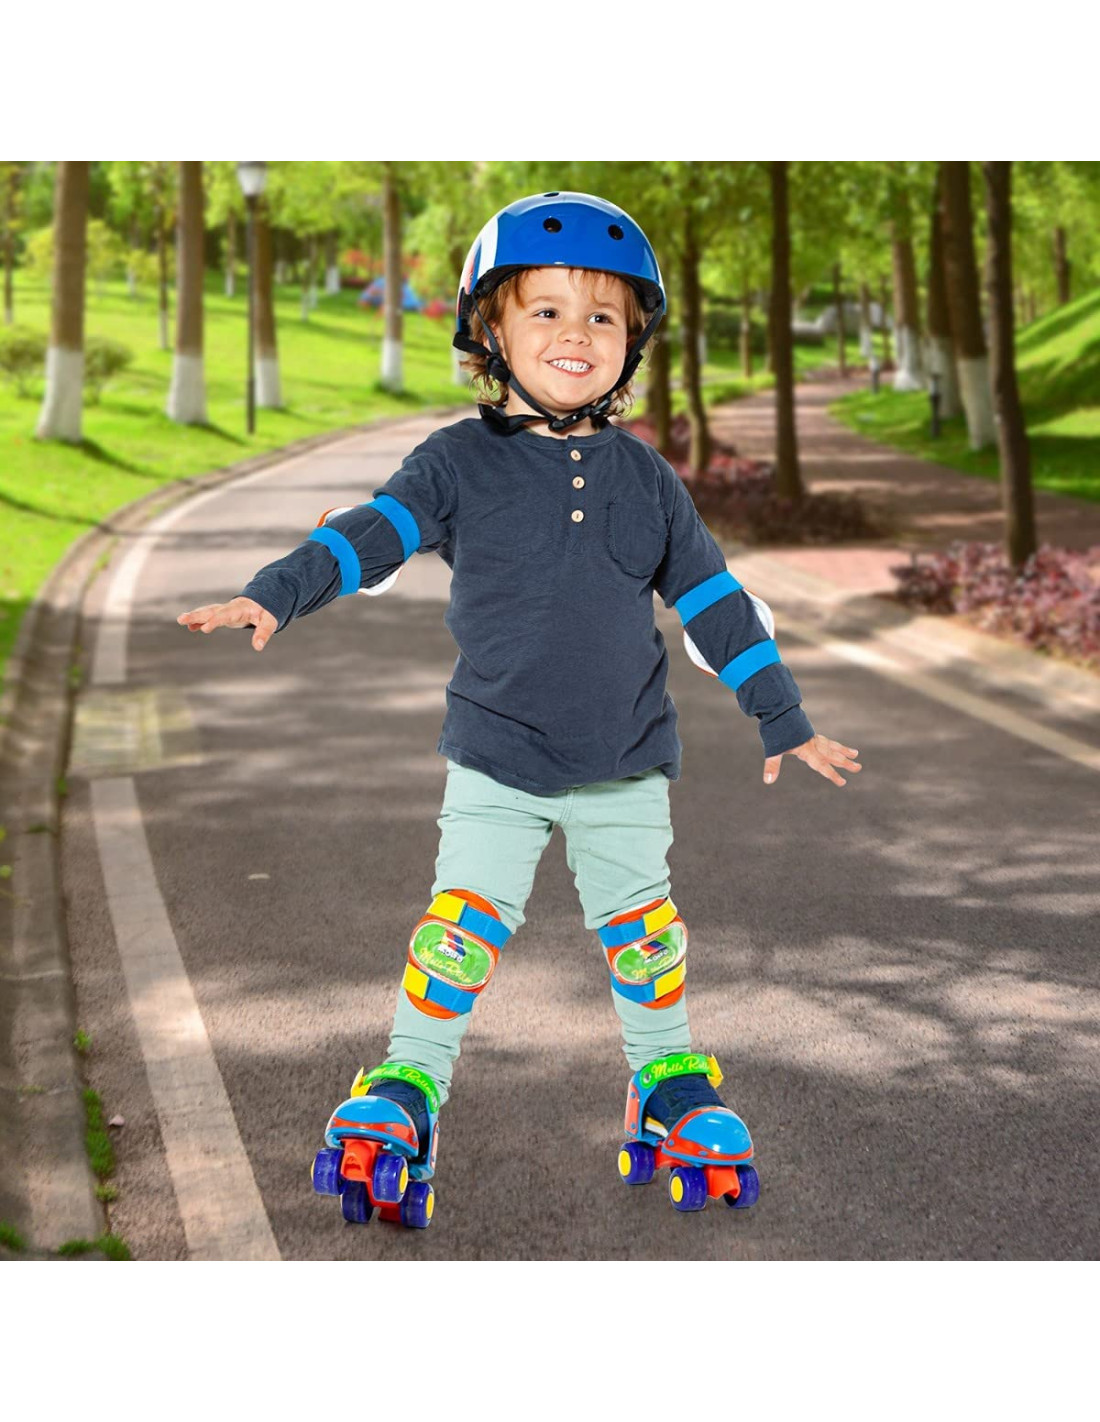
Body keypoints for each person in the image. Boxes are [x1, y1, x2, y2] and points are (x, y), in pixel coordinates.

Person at [177, 191, 862, 1229]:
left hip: (625, 759)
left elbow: (715, 603)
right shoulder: (457, 462)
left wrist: (783, 716)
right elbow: (372, 532)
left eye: (601, 315)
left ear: (632, 341)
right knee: (459, 930)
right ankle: (410, 1081)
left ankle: (666, 1078)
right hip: (497, 755)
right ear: (490, 331)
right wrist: (276, 592)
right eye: (544, 310)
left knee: (644, 934)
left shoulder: (647, 480)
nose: (574, 334)